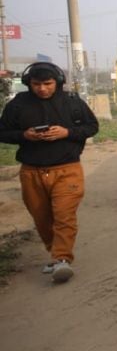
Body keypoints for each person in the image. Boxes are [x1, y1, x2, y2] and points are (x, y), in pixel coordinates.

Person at [0, 62, 99, 283]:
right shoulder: (18, 104)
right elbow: (3, 132)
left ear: (58, 82)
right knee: (41, 218)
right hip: (31, 172)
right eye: (37, 84)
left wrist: (67, 132)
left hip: (67, 169)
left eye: (47, 83)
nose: (42, 89)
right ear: (29, 83)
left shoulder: (72, 102)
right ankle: (55, 253)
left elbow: (92, 127)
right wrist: (25, 135)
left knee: (64, 215)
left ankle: (61, 259)